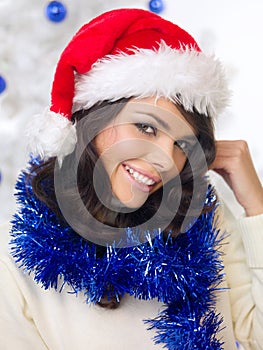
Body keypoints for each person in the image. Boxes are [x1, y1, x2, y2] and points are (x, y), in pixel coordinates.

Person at [0, 8, 263, 350]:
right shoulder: (16, 266)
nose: (165, 161)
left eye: (181, 144)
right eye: (146, 127)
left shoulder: (202, 217)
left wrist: (256, 206)